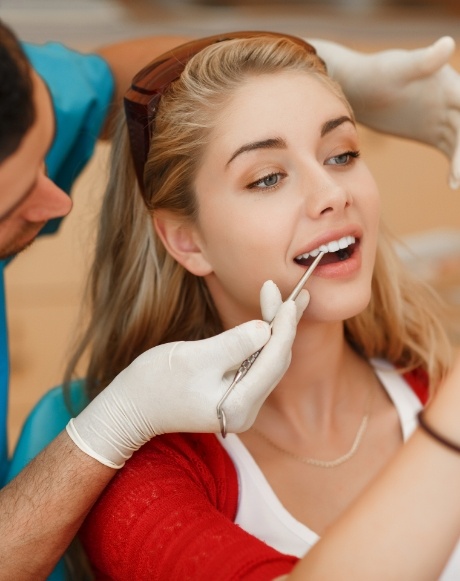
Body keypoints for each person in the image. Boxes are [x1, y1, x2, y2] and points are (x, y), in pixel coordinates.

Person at [1, 18, 460, 579]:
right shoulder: (146, 478)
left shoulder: (433, 383)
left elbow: (92, 79)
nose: (332, 194)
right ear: (187, 240)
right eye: (267, 177)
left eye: (341, 153)